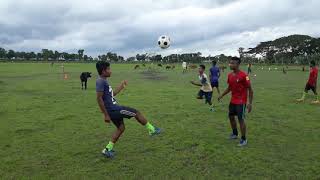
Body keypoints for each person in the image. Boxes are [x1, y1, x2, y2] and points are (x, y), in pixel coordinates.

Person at [95, 61, 161, 158]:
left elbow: (111, 94)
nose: (110, 71)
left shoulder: (104, 81)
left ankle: (107, 149)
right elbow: (99, 98)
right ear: (103, 71)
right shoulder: (100, 81)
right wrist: (106, 115)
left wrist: (121, 86)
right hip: (114, 110)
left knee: (121, 128)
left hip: (112, 110)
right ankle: (152, 129)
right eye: (109, 69)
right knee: (136, 113)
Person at [218, 57, 254, 146]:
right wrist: (222, 95)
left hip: (241, 102)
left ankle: (244, 139)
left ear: (238, 64)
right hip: (233, 100)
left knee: (241, 119)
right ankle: (235, 134)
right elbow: (229, 88)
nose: (230, 65)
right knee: (231, 117)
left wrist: (250, 103)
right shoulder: (230, 75)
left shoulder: (244, 76)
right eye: (230, 63)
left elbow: (250, 90)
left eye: (233, 63)